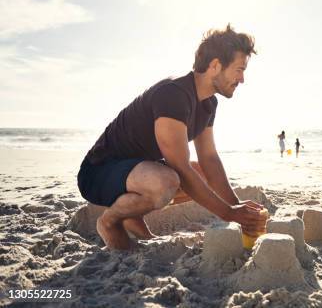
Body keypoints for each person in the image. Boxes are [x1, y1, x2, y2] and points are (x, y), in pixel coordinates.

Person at [77, 24, 266, 250]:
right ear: (215, 65)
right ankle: (109, 221)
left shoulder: (209, 103)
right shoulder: (174, 94)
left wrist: (236, 206)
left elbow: (209, 158)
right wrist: (228, 213)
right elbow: (180, 167)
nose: (242, 79)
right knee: (166, 181)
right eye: (239, 69)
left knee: (205, 174)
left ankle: (132, 214)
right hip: (99, 172)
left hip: (138, 171)